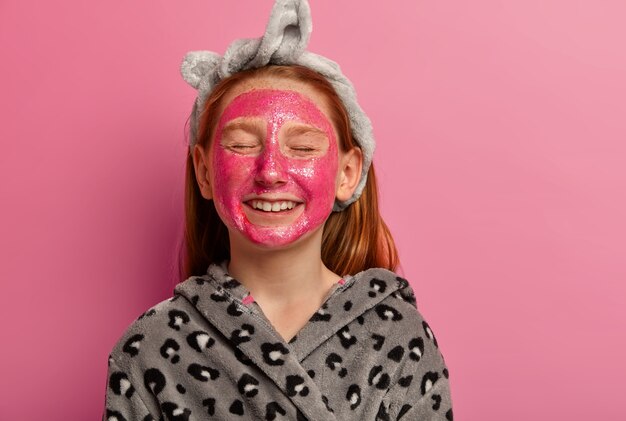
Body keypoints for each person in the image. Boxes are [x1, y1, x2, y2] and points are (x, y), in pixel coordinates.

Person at [103, 1, 453, 420]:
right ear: (204, 171)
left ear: (347, 173)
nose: (269, 171)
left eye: (302, 148)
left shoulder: (398, 333)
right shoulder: (149, 348)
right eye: (242, 145)